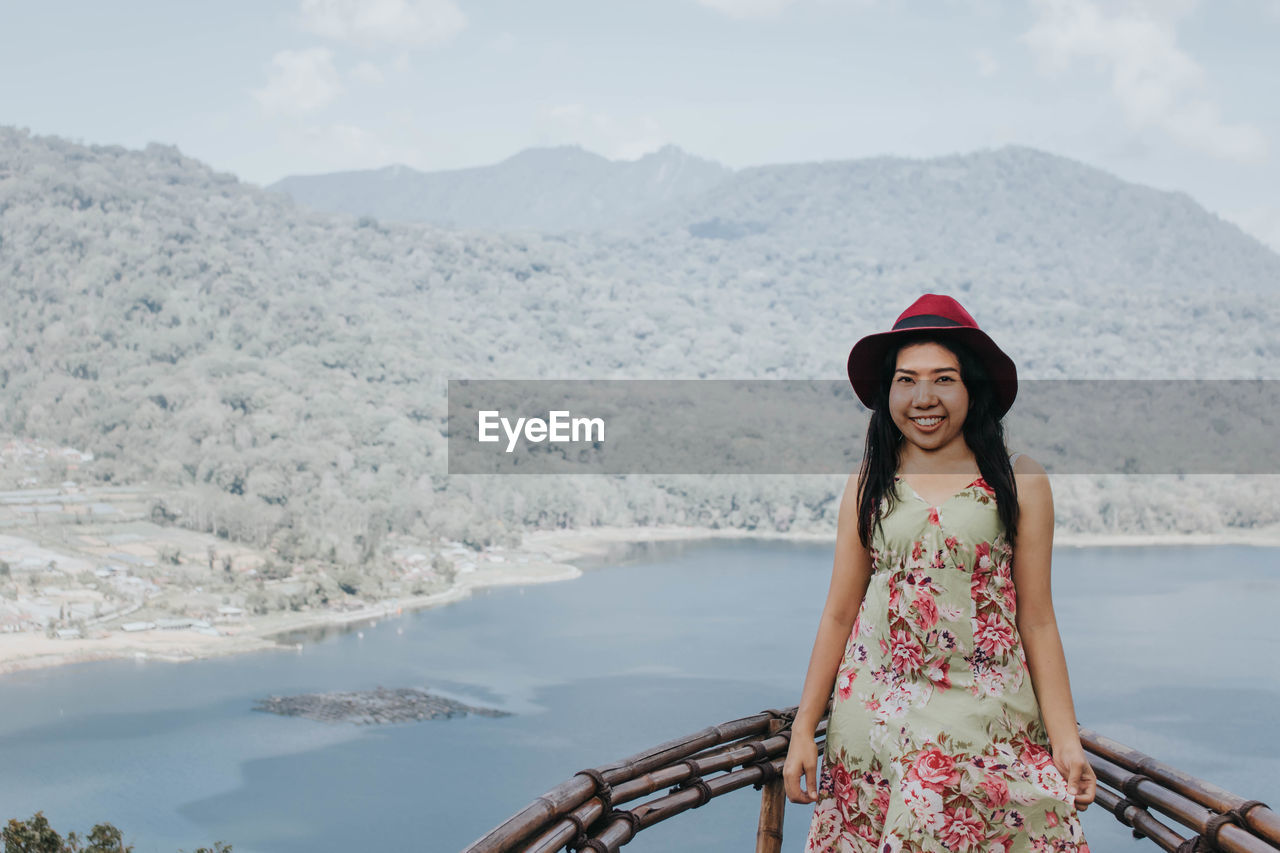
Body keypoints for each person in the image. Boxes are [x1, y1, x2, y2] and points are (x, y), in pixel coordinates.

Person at [783, 293, 1095, 852]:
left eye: (943, 379)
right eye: (907, 380)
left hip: (987, 715)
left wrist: (1067, 743)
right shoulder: (868, 483)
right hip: (874, 718)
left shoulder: (1019, 479)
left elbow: (1039, 619)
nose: (924, 398)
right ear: (888, 393)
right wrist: (804, 730)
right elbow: (838, 613)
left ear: (972, 387)